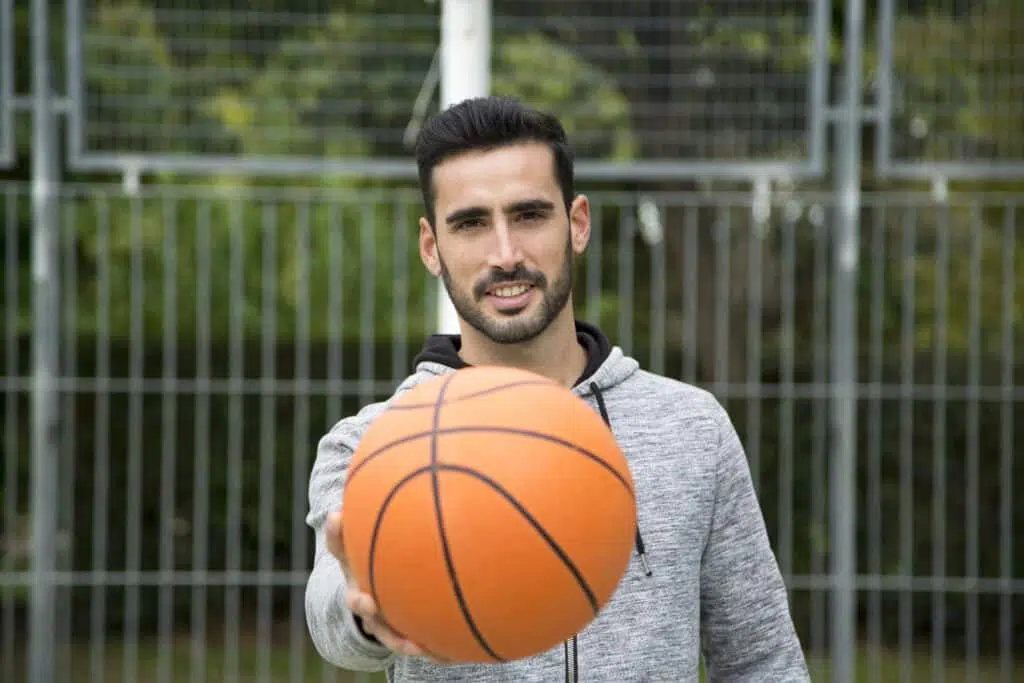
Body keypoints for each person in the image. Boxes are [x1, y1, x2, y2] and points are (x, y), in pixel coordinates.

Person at [305, 95, 810, 682]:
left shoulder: (692, 428)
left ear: (577, 223)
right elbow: (332, 617)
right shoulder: (374, 441)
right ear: (430, 248)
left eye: (529, 215)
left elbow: (761, 658)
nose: (505, 254)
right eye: (470, 223)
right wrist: (369, 613)